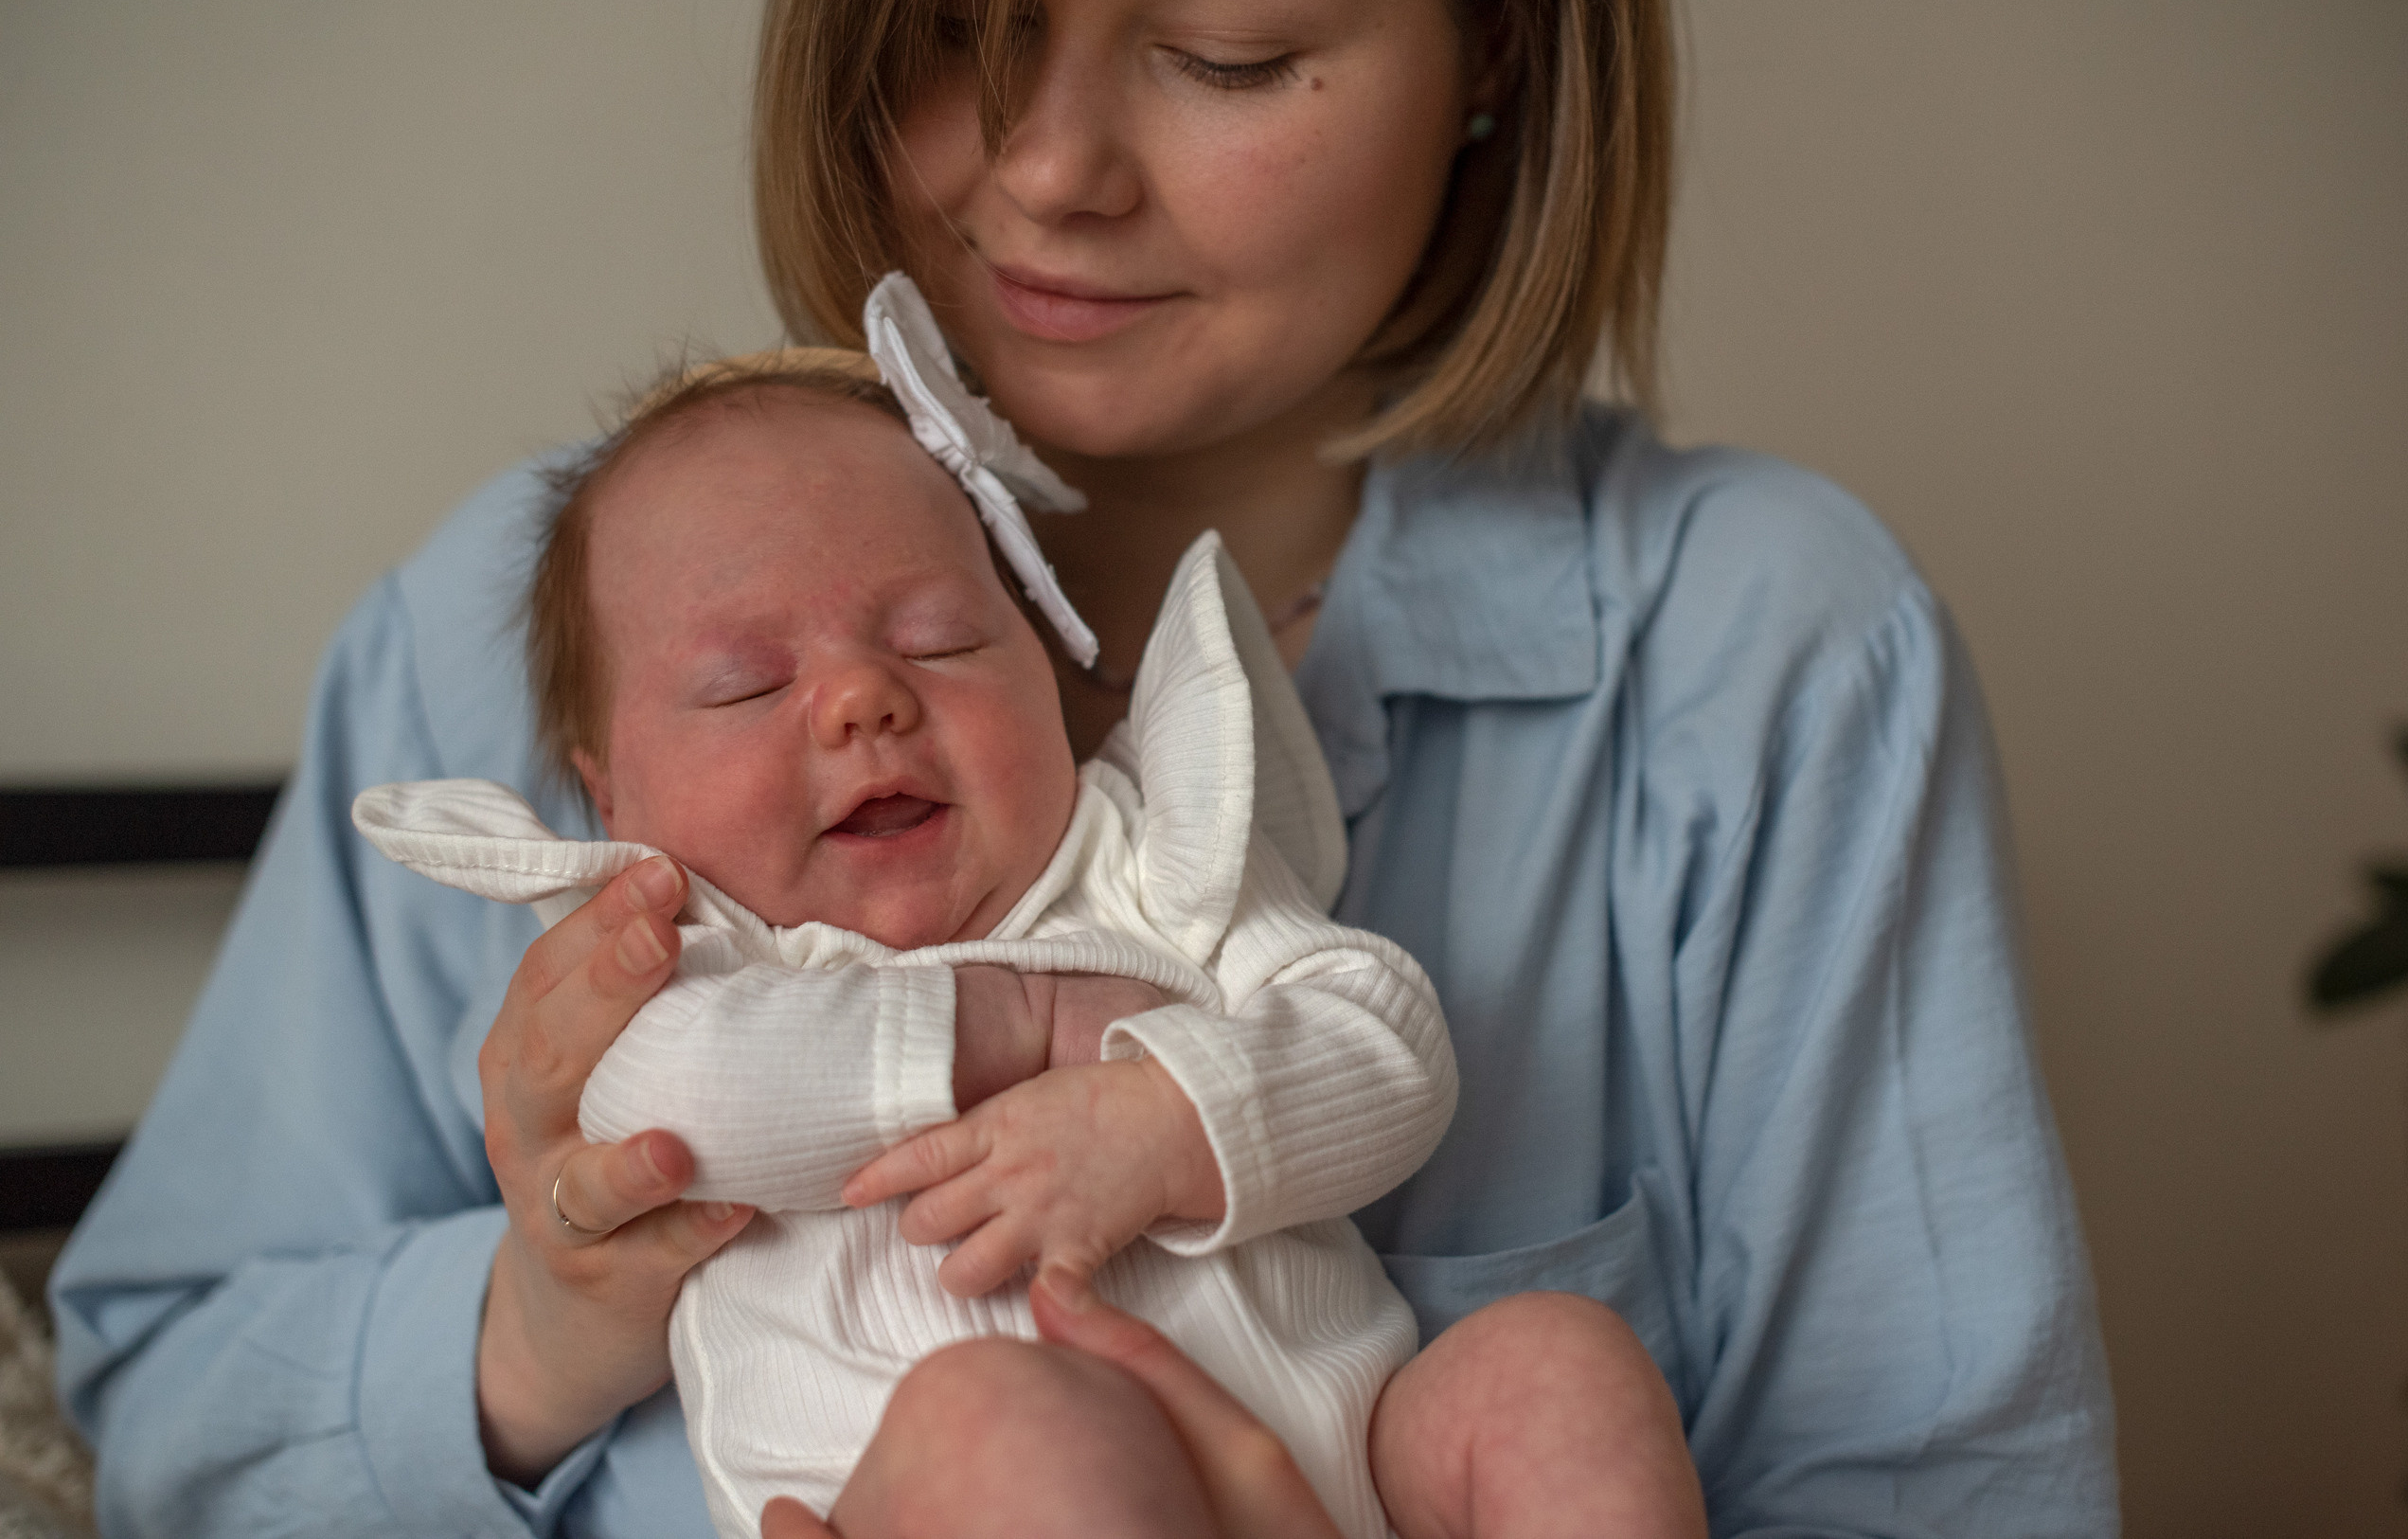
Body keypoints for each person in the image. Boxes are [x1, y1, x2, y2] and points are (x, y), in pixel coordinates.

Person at [50, 0, 2121, 1535]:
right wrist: (538, 1333)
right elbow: (163, 1415)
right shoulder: (507, 628)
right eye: (958, 26)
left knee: (1554, 1373)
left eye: (1229, 53)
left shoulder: (1762, 655)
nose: (1045, 172)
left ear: (1494, 41)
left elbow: (1946, 1485)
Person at [350, 323, 1699, 1538]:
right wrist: (1015, 1019)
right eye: (746, 685)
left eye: (941, 641)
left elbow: (1386, 1040)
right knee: (1005, 1415)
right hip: (965, 1486)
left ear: (1052, 678)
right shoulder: (673, 952)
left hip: (1355, 1482)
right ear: (612, 796)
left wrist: (1170, 1120)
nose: (862, 699)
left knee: (1551, 1367)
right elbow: (689, 1108)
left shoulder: (1146, 863)